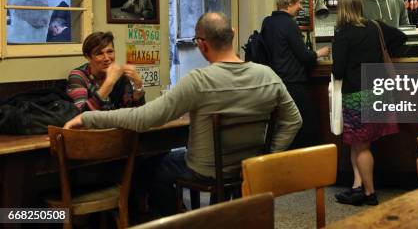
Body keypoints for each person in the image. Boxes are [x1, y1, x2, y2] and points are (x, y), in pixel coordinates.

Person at [64, 13, 302, 216]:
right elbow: (294, 119)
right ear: (232, 32)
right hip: (248, 167)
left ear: (202, 44)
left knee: (151, 168)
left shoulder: (199, 81)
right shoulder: (268, 75)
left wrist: (87, 117)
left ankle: (172, 222)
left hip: (204, 172)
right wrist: (267, 158)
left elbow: (145, 118)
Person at [332, 0, 398, 206]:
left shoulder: (342, 34)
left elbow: (339, 70)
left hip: (357, 95)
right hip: (377, 92)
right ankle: (356, 186)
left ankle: (370, 193)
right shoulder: (373, 27)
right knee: (358, 143)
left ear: (341, 8)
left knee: (361, 146)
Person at [261, 0, 329, 149]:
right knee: (308, 128)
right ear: (290, 2)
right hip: (294, 84)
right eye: (299, 3)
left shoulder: (267, 22)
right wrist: (320, 53)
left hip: (274, 83)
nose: (300, 7)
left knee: (282, 126)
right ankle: (301, 167)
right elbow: (305, 56)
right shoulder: (289, 24)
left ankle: (279, 165)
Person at [66, 31, 145, 111]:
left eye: (110, 52)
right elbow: (81, 114)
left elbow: (134, 113)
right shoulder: (78, 76)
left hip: (116, 122)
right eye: (99, 53)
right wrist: (109, 83)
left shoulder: (120, 75)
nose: (107, 58)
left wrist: (138, 85)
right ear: (88, 57)